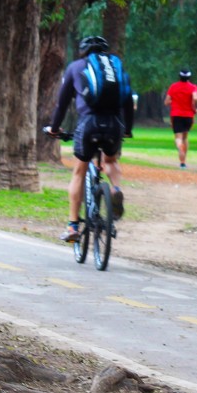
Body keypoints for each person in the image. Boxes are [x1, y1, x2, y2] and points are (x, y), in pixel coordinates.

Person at [47, 36, 134, 242]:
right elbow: (128, 100)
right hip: (114, 124)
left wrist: (55, 127)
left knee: (79, 171)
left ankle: (73, 226)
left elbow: (62, 103)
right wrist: (128, 129)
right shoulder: (115, 69)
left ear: (83, 51)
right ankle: (115, 189)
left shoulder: (75, 67)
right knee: (111, 161)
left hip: (89, 124)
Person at [164, 68, 197, 167]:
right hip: (188, 115)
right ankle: (183, 162)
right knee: (185, 137)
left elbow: (166, 102)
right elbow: (195, 98)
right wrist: (194, 107)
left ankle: (179, 147)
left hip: (176, 114)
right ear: (189, 77)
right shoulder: (193, 87)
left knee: (178, 137)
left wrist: (174, 101)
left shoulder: (173, 87)